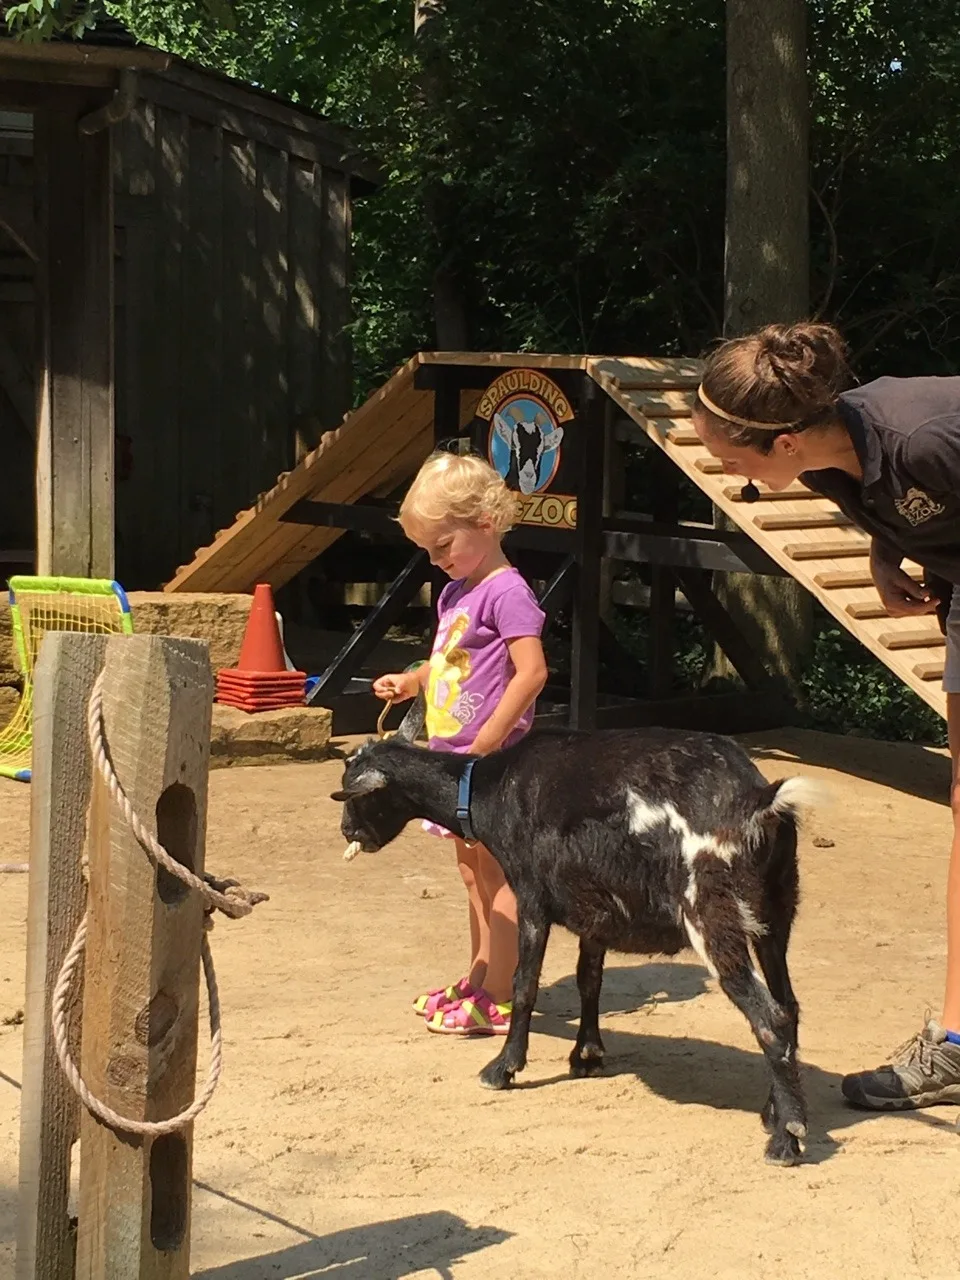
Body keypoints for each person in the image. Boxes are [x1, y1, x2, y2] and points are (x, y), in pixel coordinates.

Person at [692, 321, 960, 1111]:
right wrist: (890, 550)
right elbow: (894, 508)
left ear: (781, 443)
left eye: (731, 459)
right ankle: (956, 1045)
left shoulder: (926, 438)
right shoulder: (819, 461)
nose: (729, 476)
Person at [373, 451, 548, 1036]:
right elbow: (447, 663)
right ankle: (478, 976)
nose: (437, 559)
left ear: (485, 522)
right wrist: (411, 681)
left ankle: (501, 994)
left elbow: (532, 673)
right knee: (471, 872)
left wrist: (490, 740)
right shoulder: (456, 594)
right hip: (453, 761)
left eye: (444, 544)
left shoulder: (509, 593)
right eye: (428, 550)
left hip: (492, 764)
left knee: (499, 875)